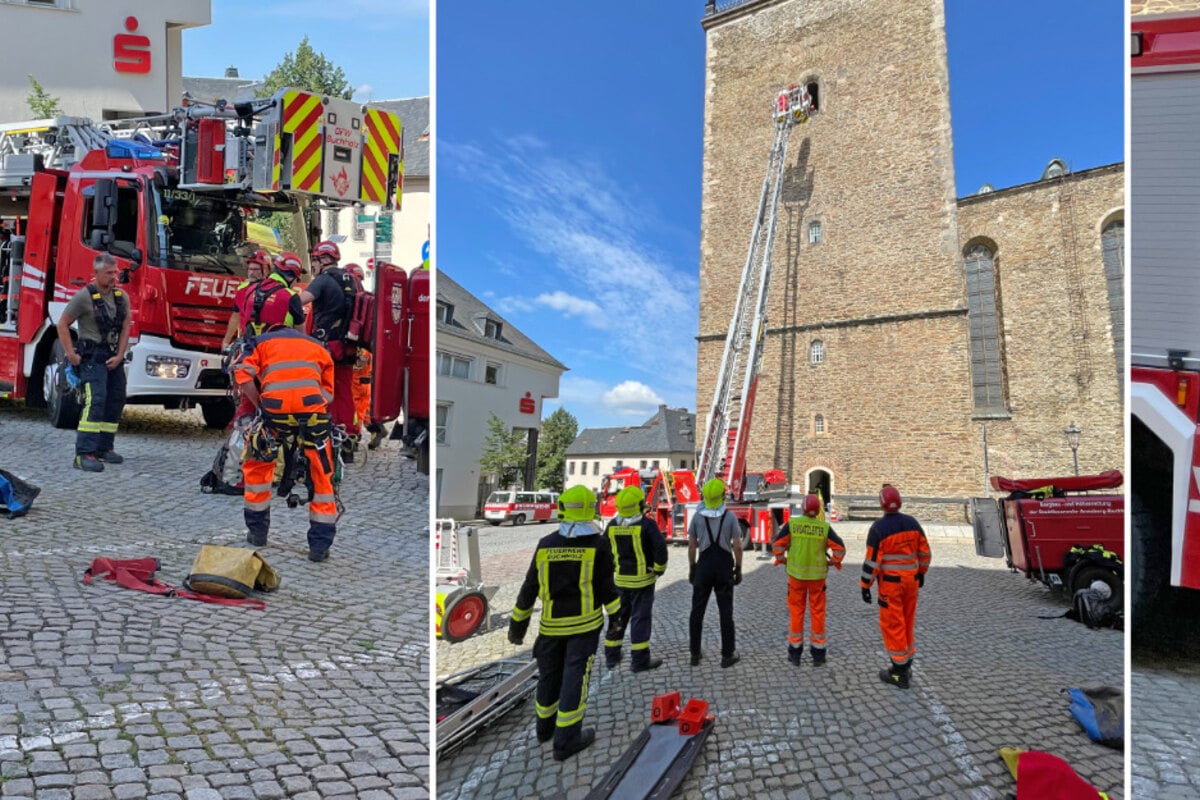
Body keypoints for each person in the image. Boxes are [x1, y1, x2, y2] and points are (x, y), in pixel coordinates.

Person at [509, 485, 621, 761]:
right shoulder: (598, 544)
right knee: (575, 679)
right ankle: (567, 739)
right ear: (589, 510)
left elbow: (529, 588)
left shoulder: (546, 544)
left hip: (550, 628)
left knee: (548, 677)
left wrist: (517, 627)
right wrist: (617, 620)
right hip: (583, 629)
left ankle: (544, 728)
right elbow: (607, 588)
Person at [231, 322, 338, 562]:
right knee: (322, 476)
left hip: (274, 411)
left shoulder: (257, 343)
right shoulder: (317, 346)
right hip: (313, 413)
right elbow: (329, 391)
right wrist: (311, 406)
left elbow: (242, 374)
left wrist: (261, 406)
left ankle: (257, 532)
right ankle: (319, 547)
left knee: (258, 466)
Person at [56, 254, 131, 472]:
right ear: (96, 274)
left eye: (115, 272)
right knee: (95, 400)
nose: (114, 276)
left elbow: (126, 326)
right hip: (91, 357)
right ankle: (83, 454)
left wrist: (119, 355)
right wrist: (70, 354)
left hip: (112, 356)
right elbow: (63, 324)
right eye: (109, 273)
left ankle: (103, 448)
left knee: (116, 398)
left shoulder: (121, 297)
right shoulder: (83, 297)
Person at [860, 484, 931, 689]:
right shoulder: (913, 524)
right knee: (907, 621)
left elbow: (872, 562)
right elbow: (925, 554)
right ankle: (907, 662)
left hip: (890, 586)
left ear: (881, 504)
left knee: (893, 625)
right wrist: (921, 573)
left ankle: (899, 673)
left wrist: (865, 585)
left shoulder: (878, 529)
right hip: (912, 582)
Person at [227, 252, 307, 421]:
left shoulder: (249, 290)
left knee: (247, 406)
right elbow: (302, 338)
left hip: (249, 356)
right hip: (276, 362)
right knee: (278, 406)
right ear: (292, 276)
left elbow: (240, 319)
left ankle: (243, 438)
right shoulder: (291, 297)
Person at [299, 240, 360, 460]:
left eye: (314, 260)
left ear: (323, 260)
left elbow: (300, 301)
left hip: (324, 347)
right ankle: (348, 438)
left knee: (321, 391)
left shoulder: (324, 281)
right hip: (347, 346)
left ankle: (324, 437)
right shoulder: (351, 280)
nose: (312, 265)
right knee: (344, 392)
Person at [771, 493, 845, 666]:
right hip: (817, 579)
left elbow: (777, 545)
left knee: (796, 613)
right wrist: (834, 561)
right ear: (818, 509)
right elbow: (840, 548)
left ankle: (795, 654)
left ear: (803, 508)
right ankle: (818, 655)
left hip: (796, 578)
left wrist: (782, 560)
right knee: (817, 614)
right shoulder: (824, 527)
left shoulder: (793, 524)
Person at [603, 485, 668, 672]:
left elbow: (605, 550)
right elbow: (660, 548)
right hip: (643, 582)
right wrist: (658, 569)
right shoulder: (646, 525)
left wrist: (613, 568)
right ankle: (639, 661)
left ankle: (611, 656)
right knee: (640, 620)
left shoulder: (613, 526)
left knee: (617, 619)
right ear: (639, 505)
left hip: (621, 582)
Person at [687, 477, 743, 668]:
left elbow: (692, 545)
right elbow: (737, 546)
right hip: (723, 567)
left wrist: (692, 567)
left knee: (697, 612)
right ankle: (727, 654)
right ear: (722, 496)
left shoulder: (697, 517)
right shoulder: (730, 517)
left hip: (703, 566)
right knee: (726, 612)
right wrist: (739, 569)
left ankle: (695, 653)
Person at [221, 249, 270, 351]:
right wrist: (226, 341)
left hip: (267, 342)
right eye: (250, 269)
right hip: (246, 342)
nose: (251, 273)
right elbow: (236, 316)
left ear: (266, 270)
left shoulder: (275, 290)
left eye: (255, 269)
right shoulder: (242, 289)